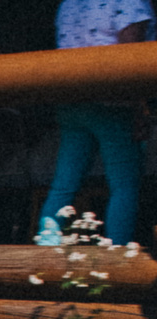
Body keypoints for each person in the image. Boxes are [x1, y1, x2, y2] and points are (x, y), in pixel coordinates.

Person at [38, 0, 152, 245]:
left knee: (64, 185)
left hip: (72, 101)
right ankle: (118, 260)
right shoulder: (129, 2)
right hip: (112, 103)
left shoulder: (69, 3)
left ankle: (45, 254)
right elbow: (133, 59)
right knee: (124, 185)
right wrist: (139, 107)